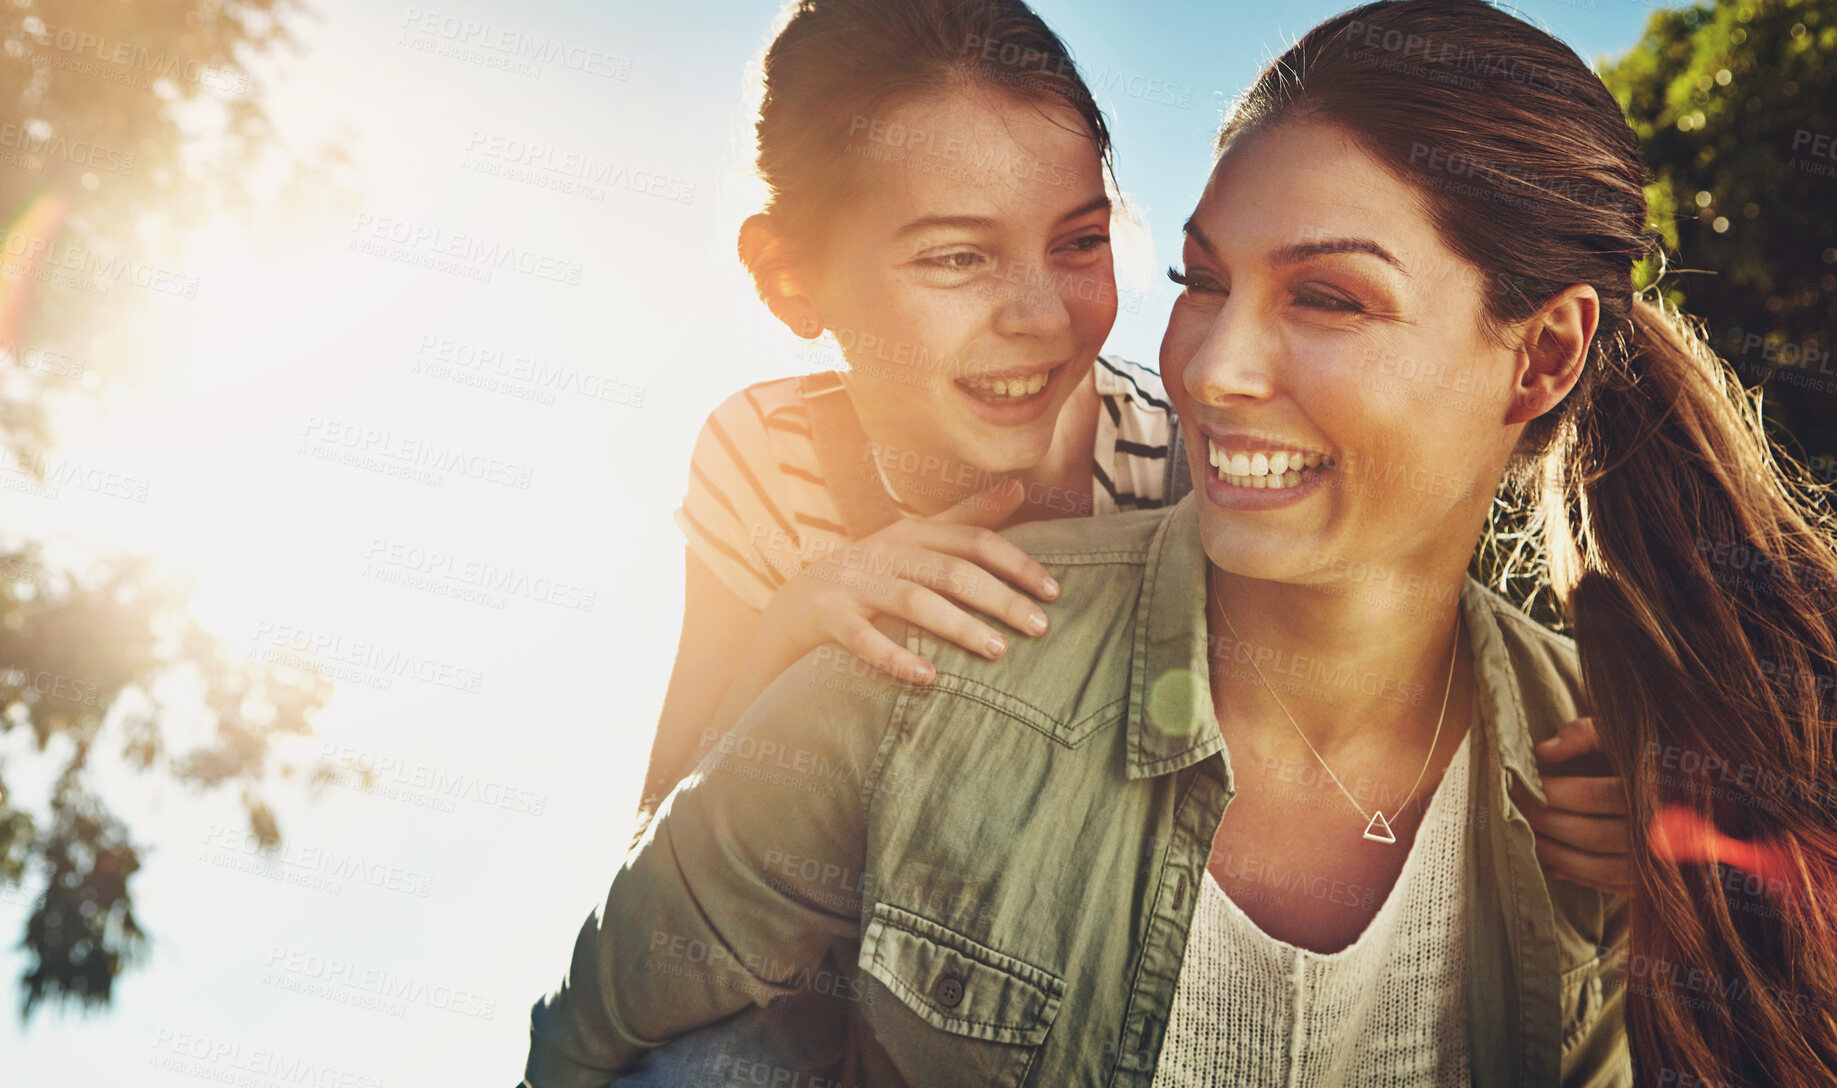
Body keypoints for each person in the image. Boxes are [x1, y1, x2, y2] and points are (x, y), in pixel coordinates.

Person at [527, 0, 1730, 1083]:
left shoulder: (1175, 457)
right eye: (955, 255)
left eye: (1081, 243)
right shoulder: (767, 456)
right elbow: (669, 838)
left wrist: (1662, 825)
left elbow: (1374, 589)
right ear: (792, 282)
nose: (1040, 316)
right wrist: (805, 625)